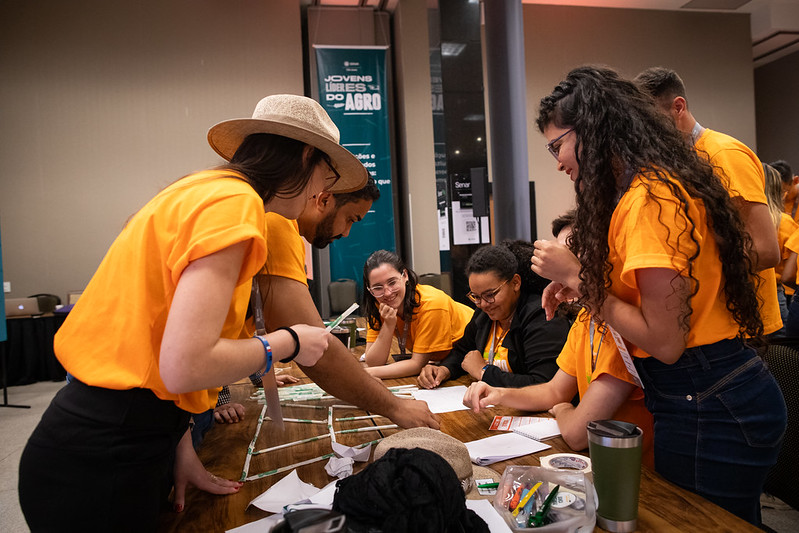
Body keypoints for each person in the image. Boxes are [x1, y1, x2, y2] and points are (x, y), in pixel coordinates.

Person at [17, 94, 366, 531]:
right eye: (326, 176)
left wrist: (179, 446)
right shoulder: (235, 203)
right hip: (107, 456)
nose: (321, 193)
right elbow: (186, 364)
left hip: (99, 436)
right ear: (305, 156)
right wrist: (289, 341)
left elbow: (153, 339)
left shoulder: (196, 190)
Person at [532, 65, 786, 525]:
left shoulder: (649, 199)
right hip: (703, 394)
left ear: (593, 131)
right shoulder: (646, 191)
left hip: (709, 400)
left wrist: (578, 277)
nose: (557, 161)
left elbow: (664, 342)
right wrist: (580, 281)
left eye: (557, 145)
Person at [462, 214, 654, 468]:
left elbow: (576, 433)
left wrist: (563, 408)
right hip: (599, 462)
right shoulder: (585, 318)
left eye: (567, 256)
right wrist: (498, 393)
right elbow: (553, 391)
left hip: (636, 473)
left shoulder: (621, 326)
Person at [254, 184, 441, 428]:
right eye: (350, 219)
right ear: (323, 199)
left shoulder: (431, 303)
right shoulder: (276, 223)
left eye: (392, 282)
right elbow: (316, 347)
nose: (346, 233)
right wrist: (393, 406)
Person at [634, 66, 782, 336]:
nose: (648, 132)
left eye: (653, 121)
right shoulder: (676, 163)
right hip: (711, 323)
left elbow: (766, 250)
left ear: (678, 107)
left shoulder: (724, 154)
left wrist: (689, 267)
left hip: (742, 326)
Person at [418, 240, 569, 389]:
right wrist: (444, 370)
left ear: (515, 283)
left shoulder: (543, 316)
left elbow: (543, 383)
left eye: (490, 294)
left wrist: (483, 372)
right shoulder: (484, 314)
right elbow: (462, 351)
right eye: (476, 297)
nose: (483, 304)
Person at [361, 250, 474, 379]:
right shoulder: (379, 304)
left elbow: (416, 364)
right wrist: (388, 325)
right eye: (377, 287)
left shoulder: (431, 304)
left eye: (392, 282)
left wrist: (363, 374)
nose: (387, 293)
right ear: (369, 289)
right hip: (445, 363)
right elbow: (373, 362)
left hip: (472, 352)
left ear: (405, 276)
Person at [764, 162, 799, 337]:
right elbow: (789, 273)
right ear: (780, 192)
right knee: (782, 343)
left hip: (749, 290)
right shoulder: (785, 223)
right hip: (779, 292)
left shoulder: (739, 221)